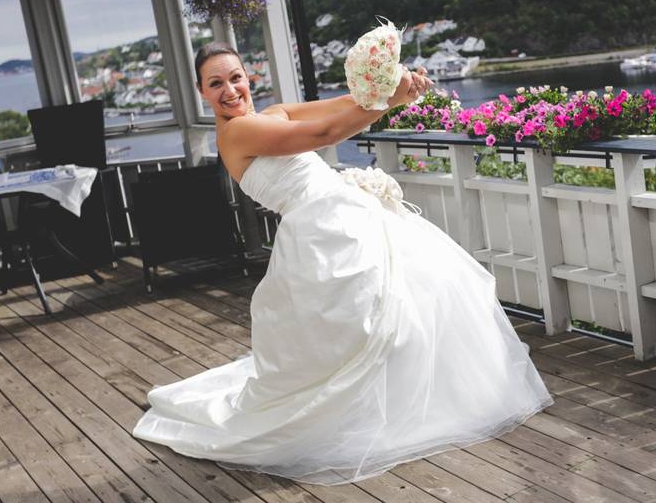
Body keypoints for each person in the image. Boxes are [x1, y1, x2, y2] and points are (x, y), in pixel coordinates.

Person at [132, 42, 553, 485]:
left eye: (234, 77)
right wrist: (387, 104)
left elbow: (338, 106)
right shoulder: (235, 134)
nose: (229, 90)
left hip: (347, 212)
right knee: (365, 325)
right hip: (320, 231)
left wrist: (393, 87)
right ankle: (383, 408)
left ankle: (414, 395)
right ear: (202, 92)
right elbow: (323, 136)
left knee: (416, 301)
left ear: (247, 77)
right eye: (215, 84)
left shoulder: (270, 113)